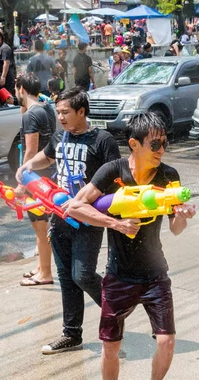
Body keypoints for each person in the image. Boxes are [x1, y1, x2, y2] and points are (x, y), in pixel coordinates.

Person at [66, 112, 196, 380]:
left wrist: (182, 217)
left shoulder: (168, 175)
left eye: (164, 143)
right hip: (118, 275)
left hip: (155, 274)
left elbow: (175, 229)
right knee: (111, 346)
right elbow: (76, 207)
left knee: (167, 342)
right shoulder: (113, 171)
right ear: (134, 144)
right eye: (155, 144)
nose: (162, 150)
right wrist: (116, 224)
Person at [15, 87, 120, 353]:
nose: (60, 117)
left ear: (81, 112)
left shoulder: (103, 140)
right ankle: (71, 334)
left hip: (88, 218)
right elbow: (47, 155)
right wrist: (28, 166)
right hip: (59, 217)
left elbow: (117, 178)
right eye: (58, 112)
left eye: (65, 112)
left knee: (83, 275)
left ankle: (115, 309)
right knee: (66, 277)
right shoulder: (61, 135)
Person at [12, 73, 57, 287]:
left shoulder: (32, 115)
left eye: (16, 89)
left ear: (21, 89)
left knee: (40, 225)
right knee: (41, 224)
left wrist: (22, 183)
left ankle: (46, 273)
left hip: (36, 178)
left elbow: (30, 150)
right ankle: (41, 266)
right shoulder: (45, 108)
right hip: (48, 175)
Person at [0, 30, 16, 96]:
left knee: (7, 97)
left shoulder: (4, 48)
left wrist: (3, 77)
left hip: (6, 77)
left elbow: (6, 62)